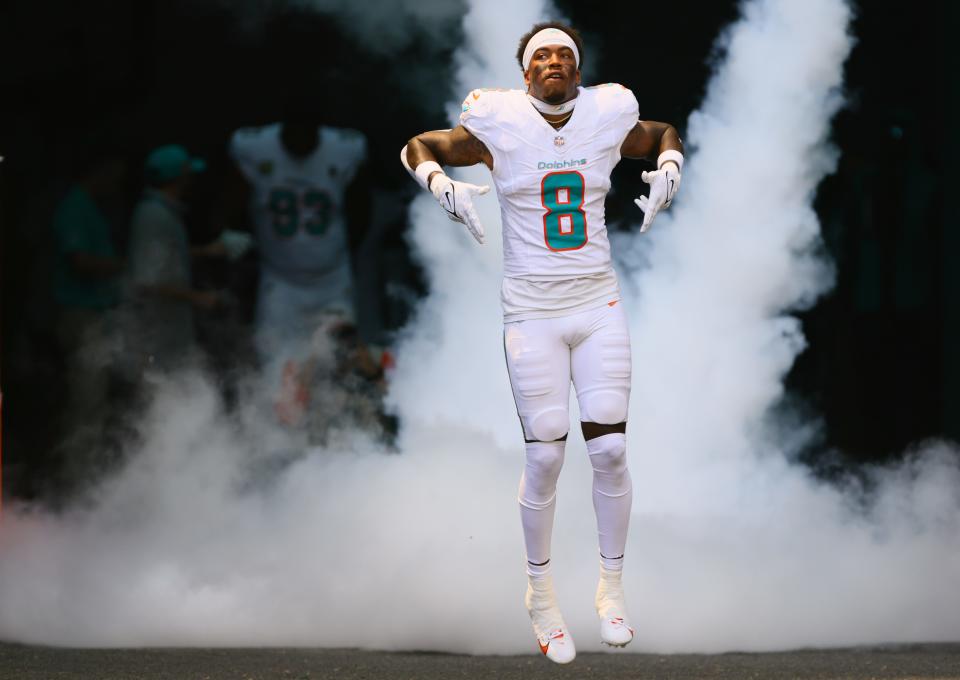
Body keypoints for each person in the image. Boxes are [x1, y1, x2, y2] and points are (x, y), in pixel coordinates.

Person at [401, 23, 683, 663]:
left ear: (578, 71)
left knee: (610, 449)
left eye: (565, 55)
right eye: (541, 55)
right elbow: (420, 144)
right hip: (531, 312)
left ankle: (611, 591)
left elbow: (662, 132)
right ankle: (541, 596)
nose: (554, 61)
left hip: (597, 303)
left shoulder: (608, 115)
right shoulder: (496, 122)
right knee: (547, 457)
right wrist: (440, 185)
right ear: (524, 73)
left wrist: (670, 164)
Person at [225, 112, 369, 425]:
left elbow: (360, 210)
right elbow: (235, 197)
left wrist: (342, 254)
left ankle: (334, 434)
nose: (301, 145)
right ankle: (279, 438)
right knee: (275, 361)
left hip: (332, 277)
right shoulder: (253, 147)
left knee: (338, 361)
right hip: (281, 278)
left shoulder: (344, 149)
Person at [127, 144, 224, 373]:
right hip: (157, 331)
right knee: (156, 392)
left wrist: (204, 251)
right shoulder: (153, 216)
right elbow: (145, 279)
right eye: (188, 174)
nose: (192, 180)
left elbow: (163, 256)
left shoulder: (163, 212)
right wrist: (198, 297)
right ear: (180, 177)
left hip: (170, 328)